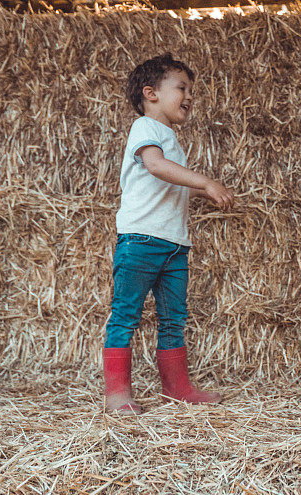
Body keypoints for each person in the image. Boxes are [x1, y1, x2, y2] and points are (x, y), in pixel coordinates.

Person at [102, 53, 234, 415]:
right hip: (141, 240)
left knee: (174, 317)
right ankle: (116, 395)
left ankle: (177, 388)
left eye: (191, 89)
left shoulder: (169, 137)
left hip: (175, 244)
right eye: (181, 87)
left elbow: (172, 184)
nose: (190, 95)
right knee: (126, 314)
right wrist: (206, 180)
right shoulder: (145, 128)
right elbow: (157, 167)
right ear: (151, 93)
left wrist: (203, 190)